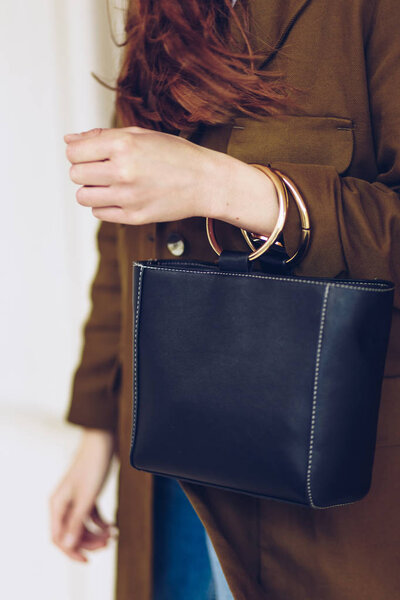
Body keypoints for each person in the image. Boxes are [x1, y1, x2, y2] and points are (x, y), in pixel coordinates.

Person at [50, 0, 400, 598]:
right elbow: (123, 235)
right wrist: (97, 431)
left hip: (325, 480)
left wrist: (219, 185)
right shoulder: (156, 8)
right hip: (160, 464)